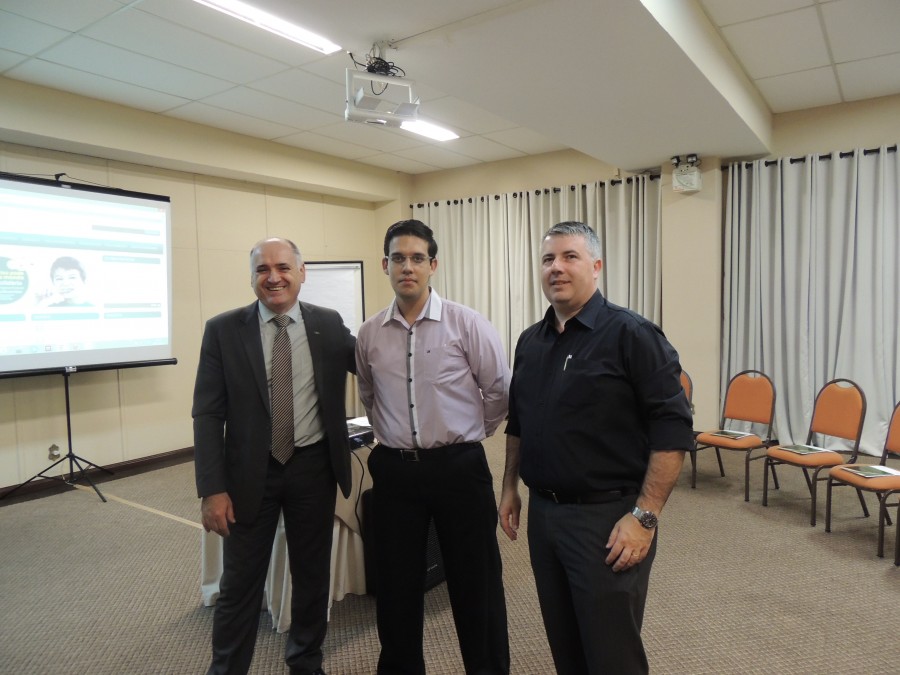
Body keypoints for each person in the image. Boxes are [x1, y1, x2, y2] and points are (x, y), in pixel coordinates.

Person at [499, 221, 693, 675]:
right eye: (548, 259)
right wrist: (509, 487)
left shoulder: (632, 335)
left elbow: (673, 429)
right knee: (565, 646)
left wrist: (645, 517)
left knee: (611, 654)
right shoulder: (530, 342)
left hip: (607, 521)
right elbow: (519, 422)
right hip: (544, 517)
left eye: (570, 256)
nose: (557, 268)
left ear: (596, 266)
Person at [193, 237, 356, 675]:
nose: (273, 277)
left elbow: (374, 361)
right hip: (250, 474)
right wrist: (212, 489)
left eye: (283, 267)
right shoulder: (223, 330)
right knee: (239, 584)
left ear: (302, 273)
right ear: (252, 277)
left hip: (313, 468)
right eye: (263, 269)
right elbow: (207, 414)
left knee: (312, 577)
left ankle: (305, 662)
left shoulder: (327, 323)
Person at [355, 219, 511, 675]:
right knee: (396, 587)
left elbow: (498, 391)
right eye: (398, 258)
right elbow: (369, 395)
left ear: (433, 265)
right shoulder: (369, 333)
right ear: (385, 265)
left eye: (417, 258)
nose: (407, 267)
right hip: (395, 471)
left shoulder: (467, 323)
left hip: (459, 469)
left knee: (476, 583)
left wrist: (469, 435)